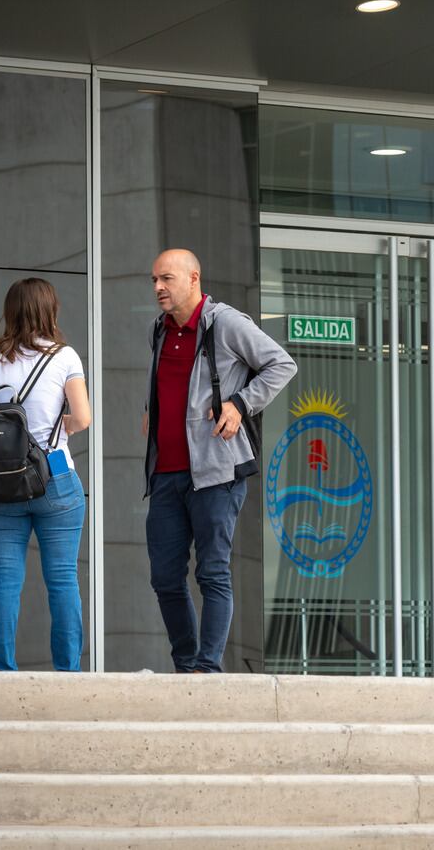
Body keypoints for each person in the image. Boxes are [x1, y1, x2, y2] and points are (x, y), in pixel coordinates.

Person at [142, 248, 296, 673]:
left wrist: (241, 404)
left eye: (166, 279)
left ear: (194, 278)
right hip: (167, 473)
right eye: (154, 279)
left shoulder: (225, 323)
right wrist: (151, 411)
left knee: (212, 572)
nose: (158, 287)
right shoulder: (160, 328)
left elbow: (281, 364)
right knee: (165, 578)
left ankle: (207, 670)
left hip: (216, 472)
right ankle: (186, 663)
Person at [0, 277, 91, 671]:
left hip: (0, 486)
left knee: (4, 581)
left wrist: (5, 433)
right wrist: (56, 426)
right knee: (63, 579)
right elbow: (83, 417)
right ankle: (67, 672)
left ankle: (2, 670)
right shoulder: (64, 357)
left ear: (10, 311)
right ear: (50, 310)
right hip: (55, 479)